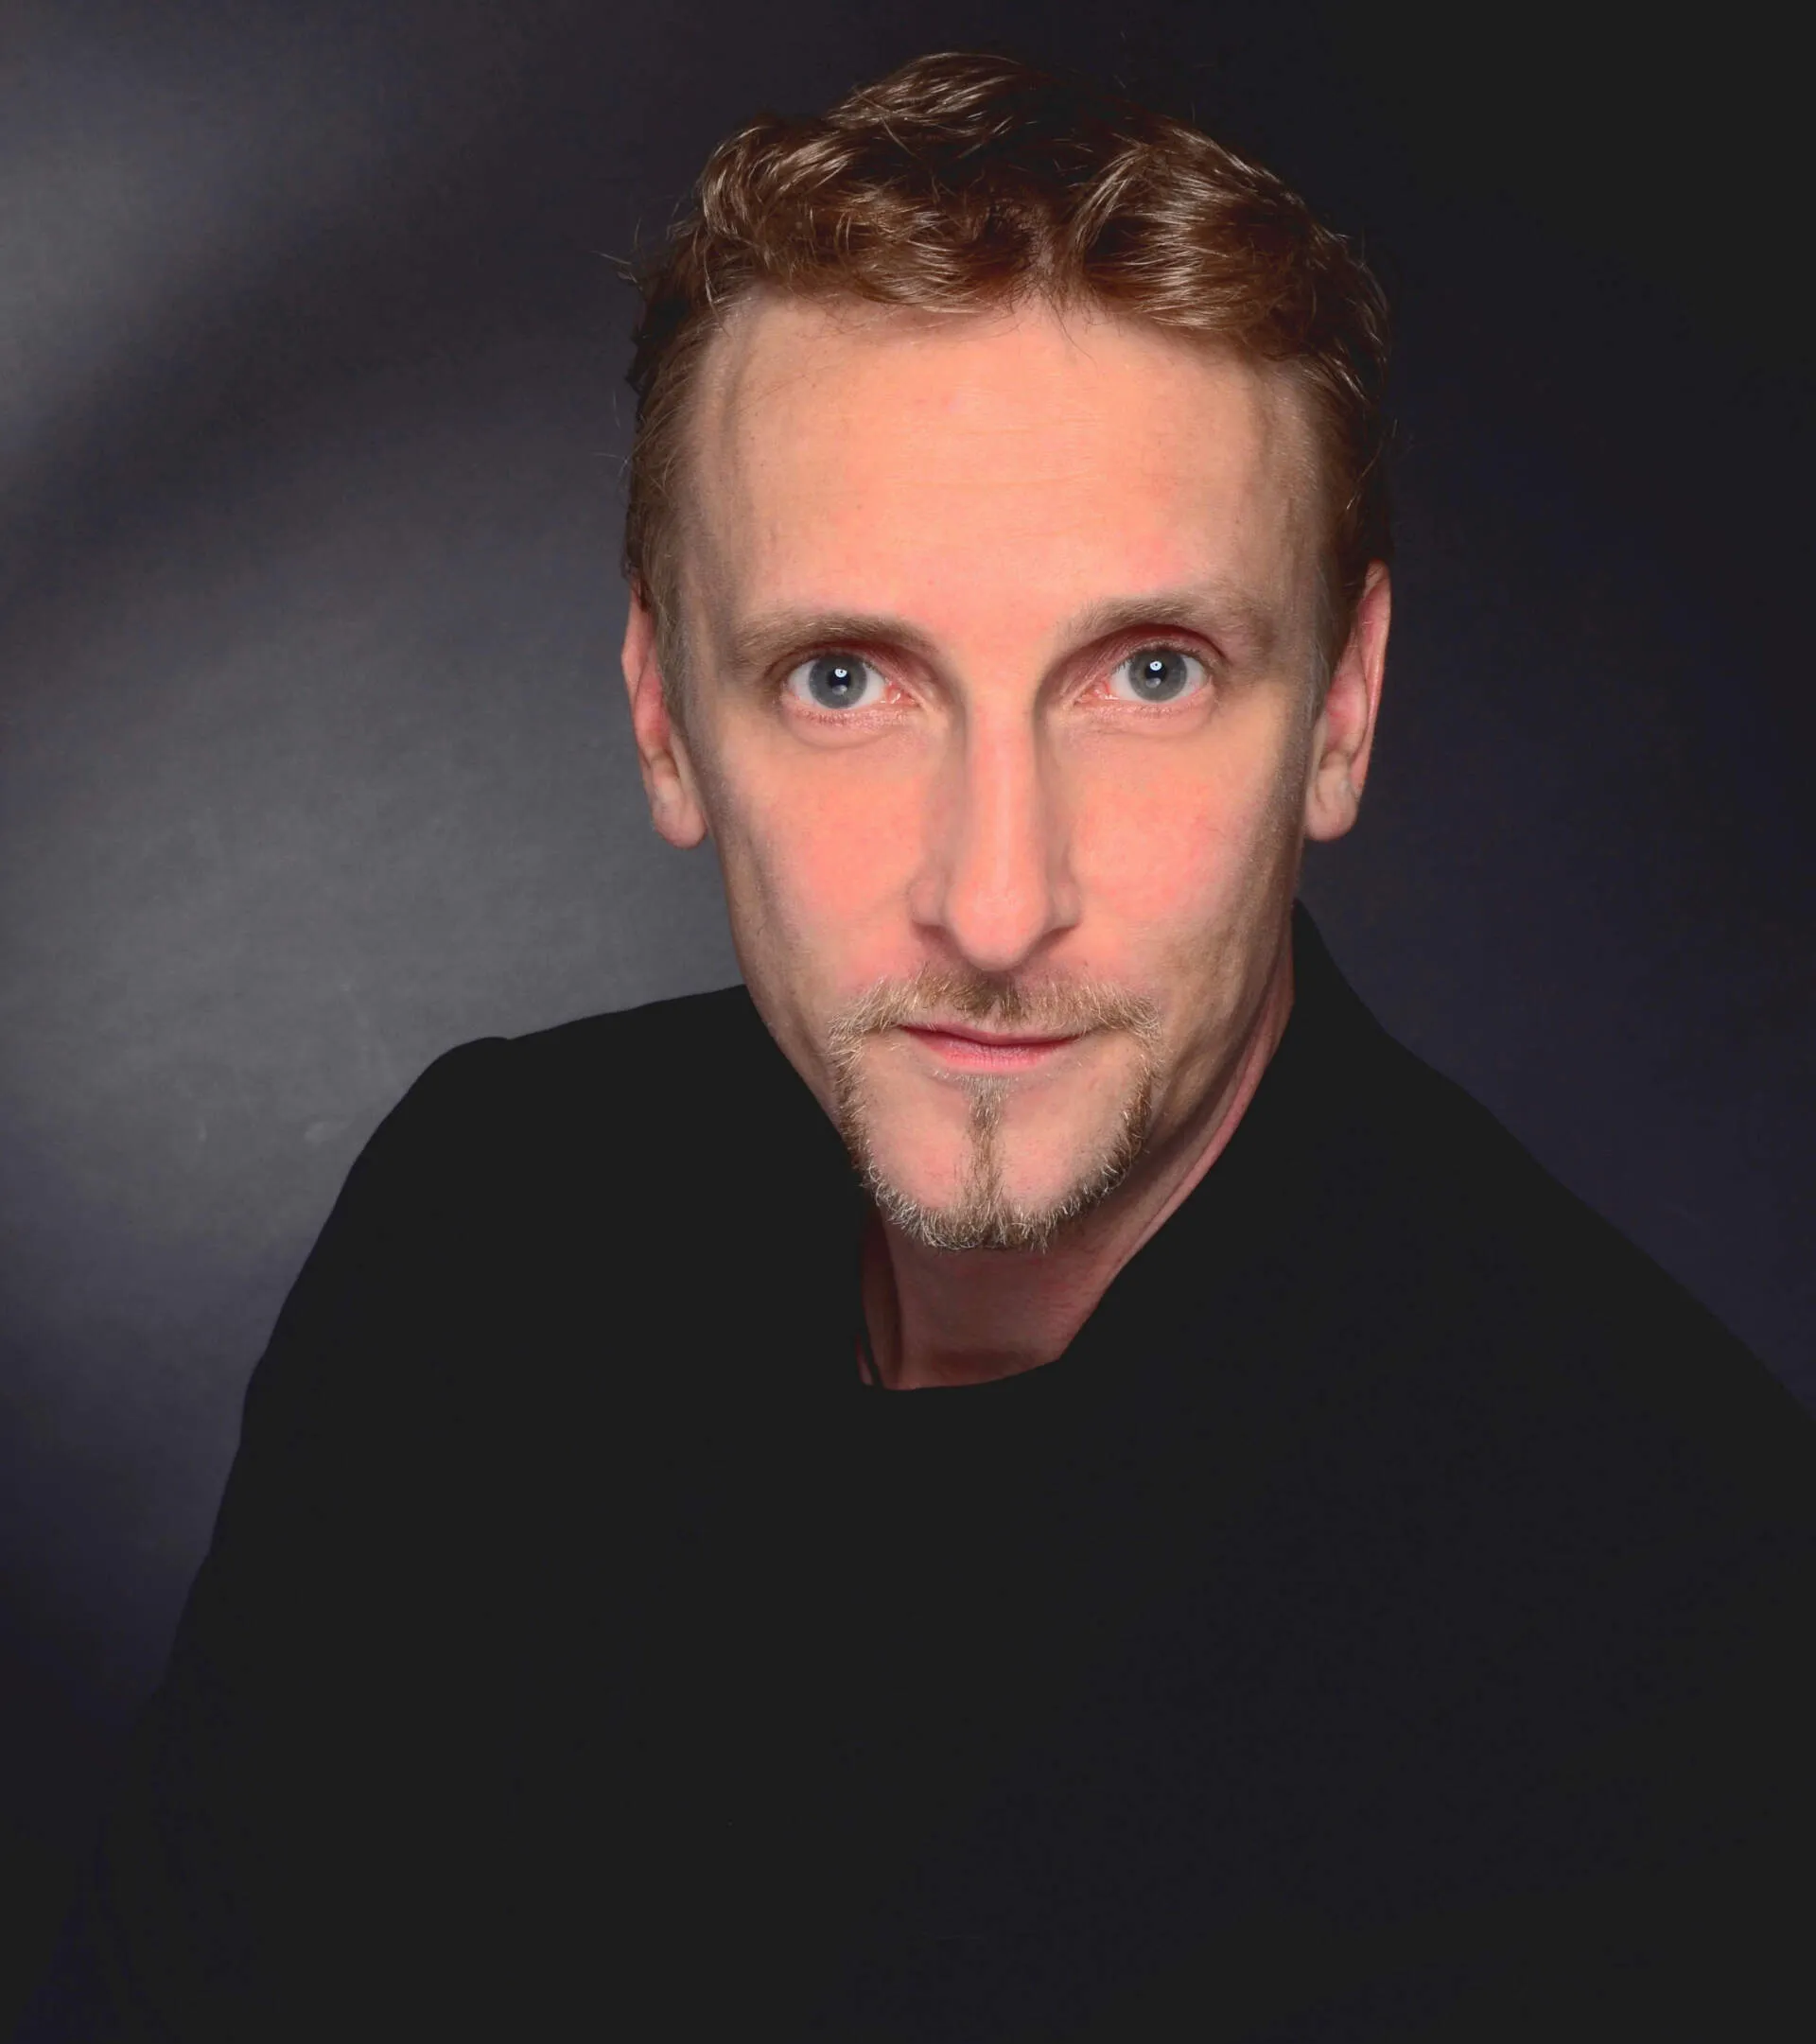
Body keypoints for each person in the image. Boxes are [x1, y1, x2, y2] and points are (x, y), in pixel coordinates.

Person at [23, 50, 1816, 2043]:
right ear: (660, 718)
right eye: (846, 679)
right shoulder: (487, 1216)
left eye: (1150, 673)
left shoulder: (1662, 1627)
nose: (995, 898)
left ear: (1343, 713)